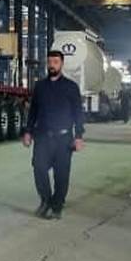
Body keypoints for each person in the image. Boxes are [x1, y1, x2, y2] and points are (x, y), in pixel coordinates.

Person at [22, 49, 85, 220]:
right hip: (43, 137)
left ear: (62, 64)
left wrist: (79, 136)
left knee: (61, 175)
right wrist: (28, 132)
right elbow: (33, 111)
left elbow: (78, 113)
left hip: (64, 139)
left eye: (55, 62)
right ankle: (45, 201)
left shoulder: (71, 87)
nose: (52, 65)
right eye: (50, 62)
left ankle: (57, 206)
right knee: (39, 168)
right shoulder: (40, 87)